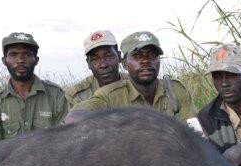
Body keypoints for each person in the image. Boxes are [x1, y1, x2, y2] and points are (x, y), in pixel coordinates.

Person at [66, 31, 194, 122]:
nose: (145, 61)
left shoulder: (175, 89)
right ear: (124, 63)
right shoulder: (109, 95)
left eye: (151, 55)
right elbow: (74, 118)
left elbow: (195, 130)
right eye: (137, 56)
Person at [0, 32, 68, 144]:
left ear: (36, 60)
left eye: (27, 54)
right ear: (4, 61)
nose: (20, 60)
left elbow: (64, 143)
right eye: (13, 55)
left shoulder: (56, 96)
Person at [65, 30, 126, 106]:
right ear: (88, 64)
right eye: (95, 59)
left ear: (119, 57)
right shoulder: (78, 95)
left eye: (108, 56)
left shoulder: (136, 84)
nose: (103, 65)